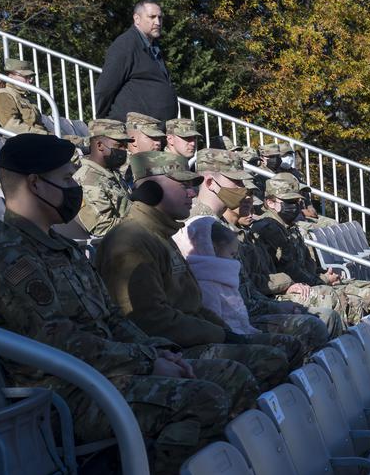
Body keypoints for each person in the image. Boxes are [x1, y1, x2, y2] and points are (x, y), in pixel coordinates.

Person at [0, 133, 256, 475]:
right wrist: (146, 362)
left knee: (234, 378)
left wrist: (157, 351)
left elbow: (111, 321)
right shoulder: (9, 260)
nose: (74, 187)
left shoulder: (59, 248)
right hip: (66, 394)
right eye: (65, 178)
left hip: (107, 376)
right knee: (204, 398)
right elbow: (59, 344)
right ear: (35, 183)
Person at [96, 150, 295, 385]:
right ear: (150, 188)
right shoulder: (131, 240)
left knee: (286, 346)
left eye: (192, 185)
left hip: (190, 338)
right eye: (183, 185)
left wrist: (226, 332)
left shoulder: (159, 233)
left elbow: (192, 304)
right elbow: (149, 320)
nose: (192, 193)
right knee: (270, 358)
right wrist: (220, 335)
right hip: (169, 349)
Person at [190, 148, 338, 349]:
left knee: (321, 317)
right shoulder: (198, 226)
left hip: (250, 310)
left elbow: (246, 290)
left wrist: (278, 306)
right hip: (231, 326)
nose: (242, 189)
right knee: (313, 325)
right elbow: (220, 302)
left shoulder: (217, 224)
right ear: (209, 183)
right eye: (236, 182)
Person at [247, 172, 370, 326]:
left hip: (310, 282)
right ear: (270, 202)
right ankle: (349, 341)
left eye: (297, 201)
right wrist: (324, 280)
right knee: (340, 299)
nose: (295, 206)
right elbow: (290, 269)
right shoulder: (269, 228)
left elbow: (306, 262)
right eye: (289, 201)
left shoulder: (291, 227)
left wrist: (323, 273)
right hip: (288, 290)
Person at [95, 0, 178, 121]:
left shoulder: (154, 48)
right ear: (137, 19)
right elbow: (105, 88)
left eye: (160, 18)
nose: (158, 22)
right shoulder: (125, 45)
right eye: (152, 17)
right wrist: (103, 121)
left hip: (156, 131)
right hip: (135, 132)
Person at [182, 216, 254, 334]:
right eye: (232, 254)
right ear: (213, 249)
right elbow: (216, 326)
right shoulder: (206, 284)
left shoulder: (221, 278)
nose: (235, 260)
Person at [75, 119, 132, 237]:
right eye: (119, 145)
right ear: (100, 145)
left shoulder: (111, 172)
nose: (124, 150)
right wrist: (144, 221)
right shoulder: (88, 180)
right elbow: (103, 228)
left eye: (125, 145)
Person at [0, 60, 52, 136]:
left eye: (31, 77)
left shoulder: (26, 99)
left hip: (38, 139)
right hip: (25, 143)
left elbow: (38, 126)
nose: (31, 80)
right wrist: (46, 135)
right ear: (10, 76)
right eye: (26, 76)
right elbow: (13, 127)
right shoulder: (2, 95)